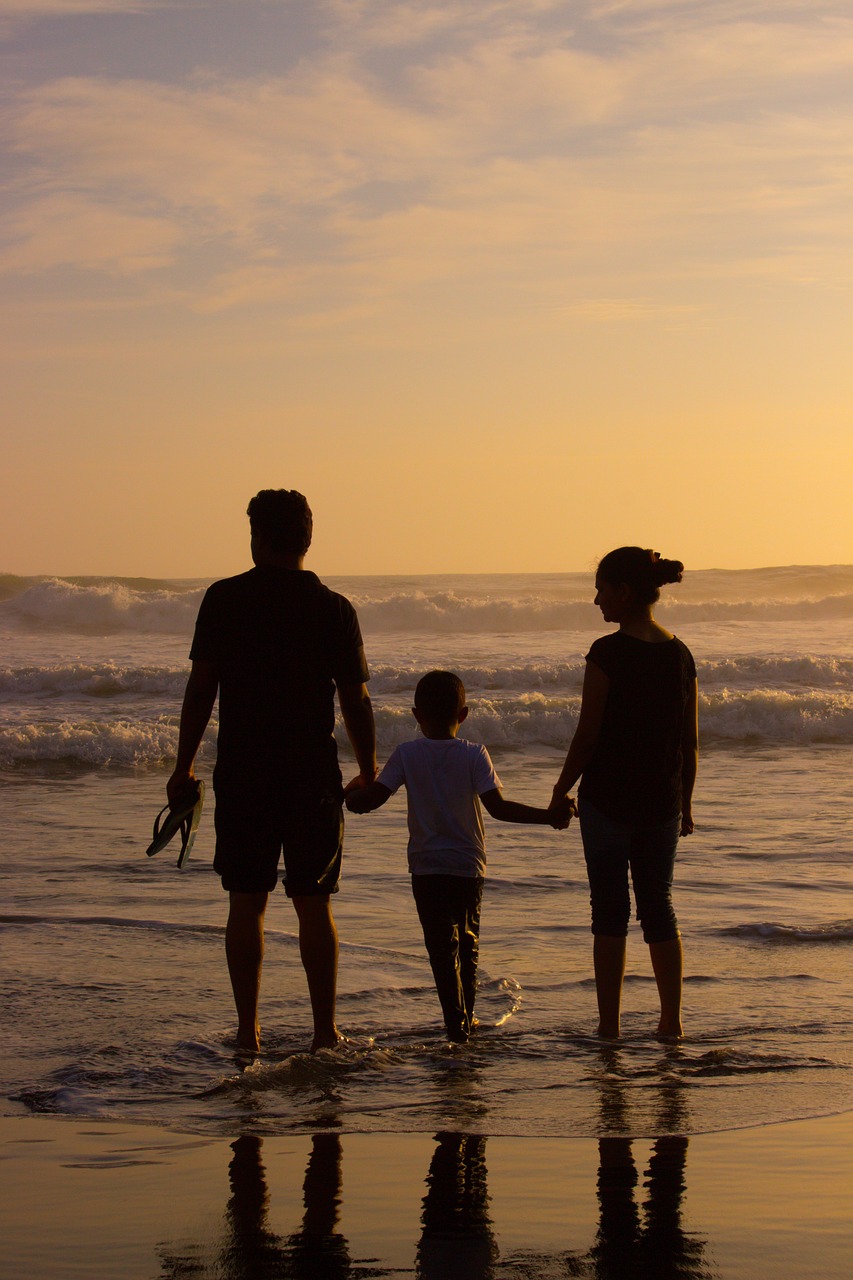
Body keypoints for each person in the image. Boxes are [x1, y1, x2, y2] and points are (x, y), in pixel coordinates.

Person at [166, 489, 377, 1054]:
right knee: (314, 902)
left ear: (256, 537)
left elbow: (201, 688)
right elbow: (356, 701)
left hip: (245, 770)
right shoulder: (333, 608)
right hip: (312, 774)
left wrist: (183, 765)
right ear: (308, 539)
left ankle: (247, 1031)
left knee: (246, 900)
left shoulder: (225, 599)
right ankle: (324, 1031)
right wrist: (369, 770)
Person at [346, 670, 574, 1043]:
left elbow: (368, 802)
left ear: (416, 715)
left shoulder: (406, 753)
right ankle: (465, 1021)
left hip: (427, 867)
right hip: (469, 867)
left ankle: (456, 1028)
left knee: (441, 950)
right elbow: (498, 809)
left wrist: (346, 793)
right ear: (464, 714)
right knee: (468, 946)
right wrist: (548, 817)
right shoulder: (474, 754)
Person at [550, 548, 698, 1040]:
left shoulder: (607, 652)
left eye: (601, 589)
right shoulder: (680, 654)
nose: (596, 600)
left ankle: (609, 1027)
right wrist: (688, 802)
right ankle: (671, 1022)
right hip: (662, 803)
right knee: (659, 905)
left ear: (624, 592)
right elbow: (688, 739)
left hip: (608, 802)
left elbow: (587, 735)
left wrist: (559, 789)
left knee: (609, 913)